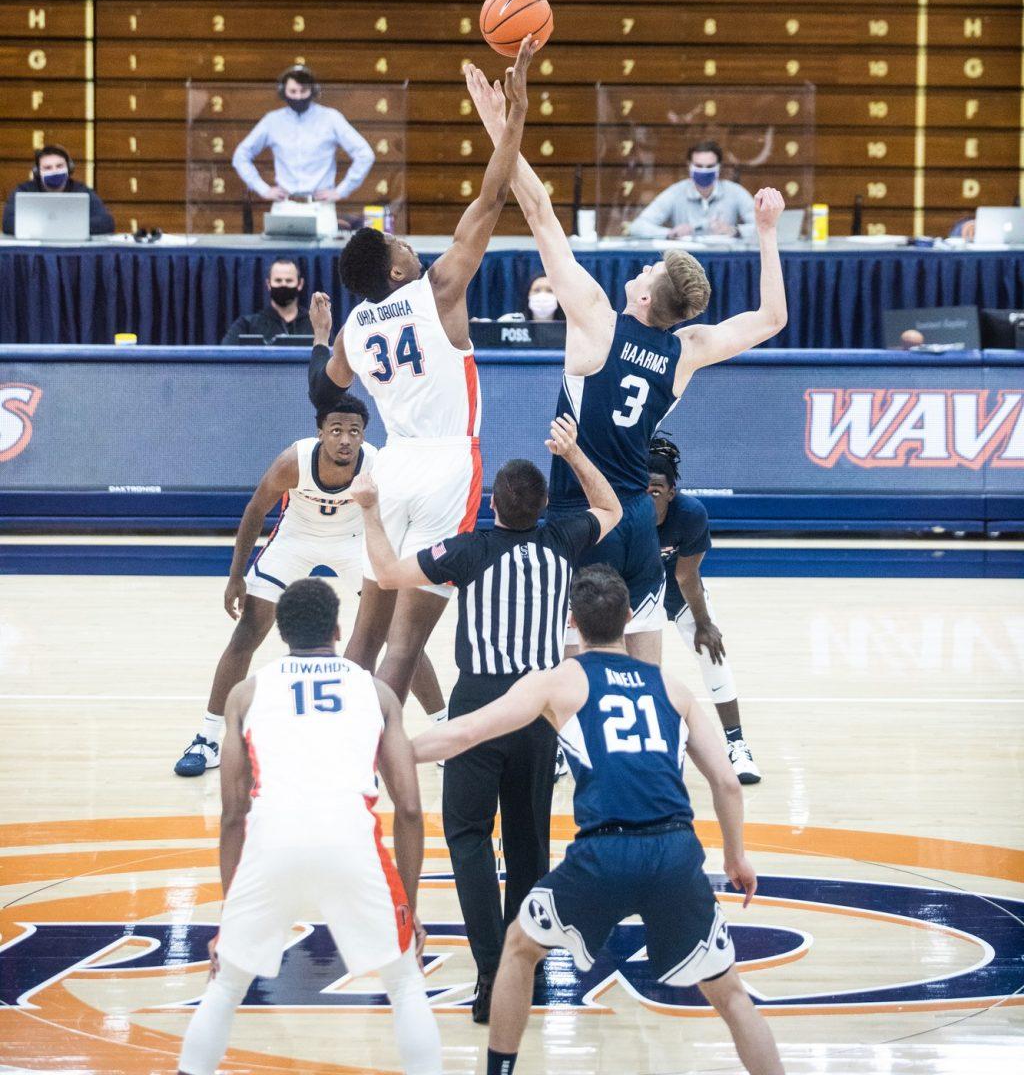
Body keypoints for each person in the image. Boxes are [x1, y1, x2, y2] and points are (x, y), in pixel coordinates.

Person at [465, 62, 788, 667]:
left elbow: (537, 210)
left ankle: (568, 752)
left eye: (647, 271)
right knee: (641, 667)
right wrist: (766, 232)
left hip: (580, 515)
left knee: (572, 661)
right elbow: (771, 319)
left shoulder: (595, 320)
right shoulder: (684, 353)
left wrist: (500, 124)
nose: (638, 270)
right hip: (638, 518)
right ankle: (649, 744)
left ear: (644, 297)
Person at [412, 565, 785, 1075]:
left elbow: (462, 735)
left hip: (604, 854)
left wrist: (389, 751)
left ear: (572, 623)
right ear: (630, 617)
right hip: (675, 851)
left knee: (518, 949)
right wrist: (736, 855)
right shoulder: (671, 687)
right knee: (732, 996)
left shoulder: (559, 681)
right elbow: (724, 783)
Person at [350, 413, 621, 1025]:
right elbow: (612, 510)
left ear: (493, 504)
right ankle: (518, 972)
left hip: (477, 704)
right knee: (528, 848)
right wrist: (576, 454)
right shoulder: (562, 541)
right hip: (540, 713)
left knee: (468, 837)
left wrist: (369, 508)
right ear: (545, 506)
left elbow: (390, 575)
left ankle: (491, 971)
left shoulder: (470, 549)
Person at [308, 37, 536, 708]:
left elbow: (331, 388)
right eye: (402, 242)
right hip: (444, 468)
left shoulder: (353, 329)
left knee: (368, 634)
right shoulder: (436, 290)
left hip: (389, 470)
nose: (410, 241)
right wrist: (514, 114)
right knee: (407, 644)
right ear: (399, 269)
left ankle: (338, 747)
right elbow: (494, 200)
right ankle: (379, 754)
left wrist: (322, 342)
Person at [176, 577, 442, 1075]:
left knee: (226, 986)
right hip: (351, 840)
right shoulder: (377, 692)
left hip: (272, 838)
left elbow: (233, 811)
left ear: (280, 630)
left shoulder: (246, 694)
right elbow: (408, 809)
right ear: (339, 630)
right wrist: (406, 905)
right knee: (405, 983)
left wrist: (232, 909)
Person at [174, 395, 376, 776]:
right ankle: (208, 738)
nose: (345, 439)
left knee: (396, 632)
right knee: (247, 630)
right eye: (336, 430)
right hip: (295, 538)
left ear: (364, 436)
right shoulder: (294, 461)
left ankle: (441, 726)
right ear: (320, 434)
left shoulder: (377, 465)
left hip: (352, 541)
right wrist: (236, 575)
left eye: (354, 431)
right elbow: (256, 509)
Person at [648, 434, 761, 784]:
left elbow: (686, 575)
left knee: (712, 651)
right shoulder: (622, 508)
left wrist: (704, 623)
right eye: (641, 487)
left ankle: (737, 744)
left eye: (656, 489)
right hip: (635, 591)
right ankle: (569, 747)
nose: (647, 495)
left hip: (679, 590)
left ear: (671, 491)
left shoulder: (691, 514)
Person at [231, 63, 374, 205]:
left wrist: (341, 191)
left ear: (313, 91)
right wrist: (263, 189)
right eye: (293, 91)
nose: (298, 96)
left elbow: (365, 154)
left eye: (303, 91)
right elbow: (240, 156)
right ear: (283, 92)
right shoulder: (272, 121)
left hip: (320, 206)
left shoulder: (331, 118)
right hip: (285, 205)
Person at [627, 139, 756, 240]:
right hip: (686, 263)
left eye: (709, 166)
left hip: (724, 262)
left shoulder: (735, 192)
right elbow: (638, 226)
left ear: (719, 167)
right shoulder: (675, 192)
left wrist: (735, 231)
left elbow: (763, 226)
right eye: (699, 166)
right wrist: (670, 233)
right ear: (689, 166)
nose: (704, 171)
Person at [2, 143, 115, 236]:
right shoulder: (24, 191)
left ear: (69, 168)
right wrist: (63, 227)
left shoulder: (81, 191)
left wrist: (55, 227)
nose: (54, 171)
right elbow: (7, 223)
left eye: (59, 166)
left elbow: (107, 222)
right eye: (48, 168)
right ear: (37, 173)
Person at [221, 255, 314, 344]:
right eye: (278, 280)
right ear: (268, 284)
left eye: (289, 281)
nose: (283, 285)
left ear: (300, 284)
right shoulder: (247, 325)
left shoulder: (315, 324)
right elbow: (223, 355)